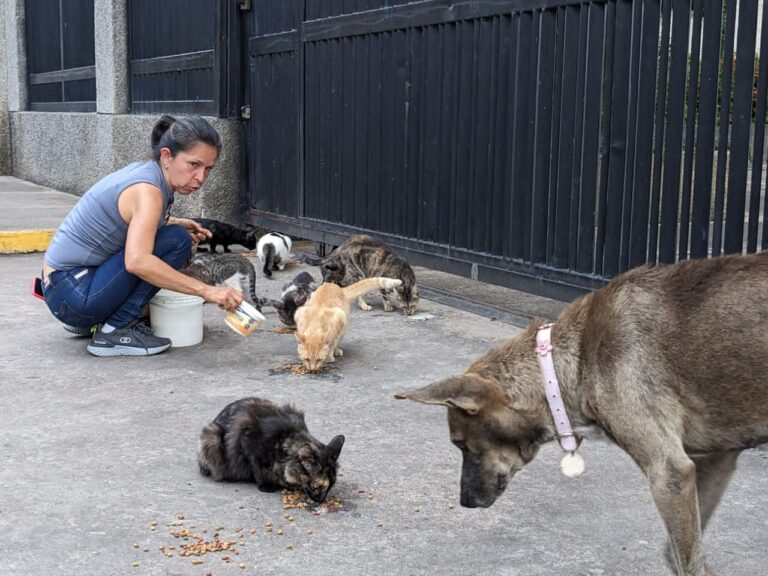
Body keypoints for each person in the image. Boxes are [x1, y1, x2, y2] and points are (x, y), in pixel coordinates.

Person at [41, 115, 244, 357]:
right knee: (175, 241)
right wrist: (207, 290)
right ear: (167, 156)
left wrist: (172, 221)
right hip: (73, 294)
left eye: (208, 169)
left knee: (174, 234)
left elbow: (125, 218)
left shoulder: (148, 175)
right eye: (194, 165)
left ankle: (97, 319)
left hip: (64, 289)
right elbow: (137, 261)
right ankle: (116, 330)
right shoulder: (148, 191)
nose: (201, 178)